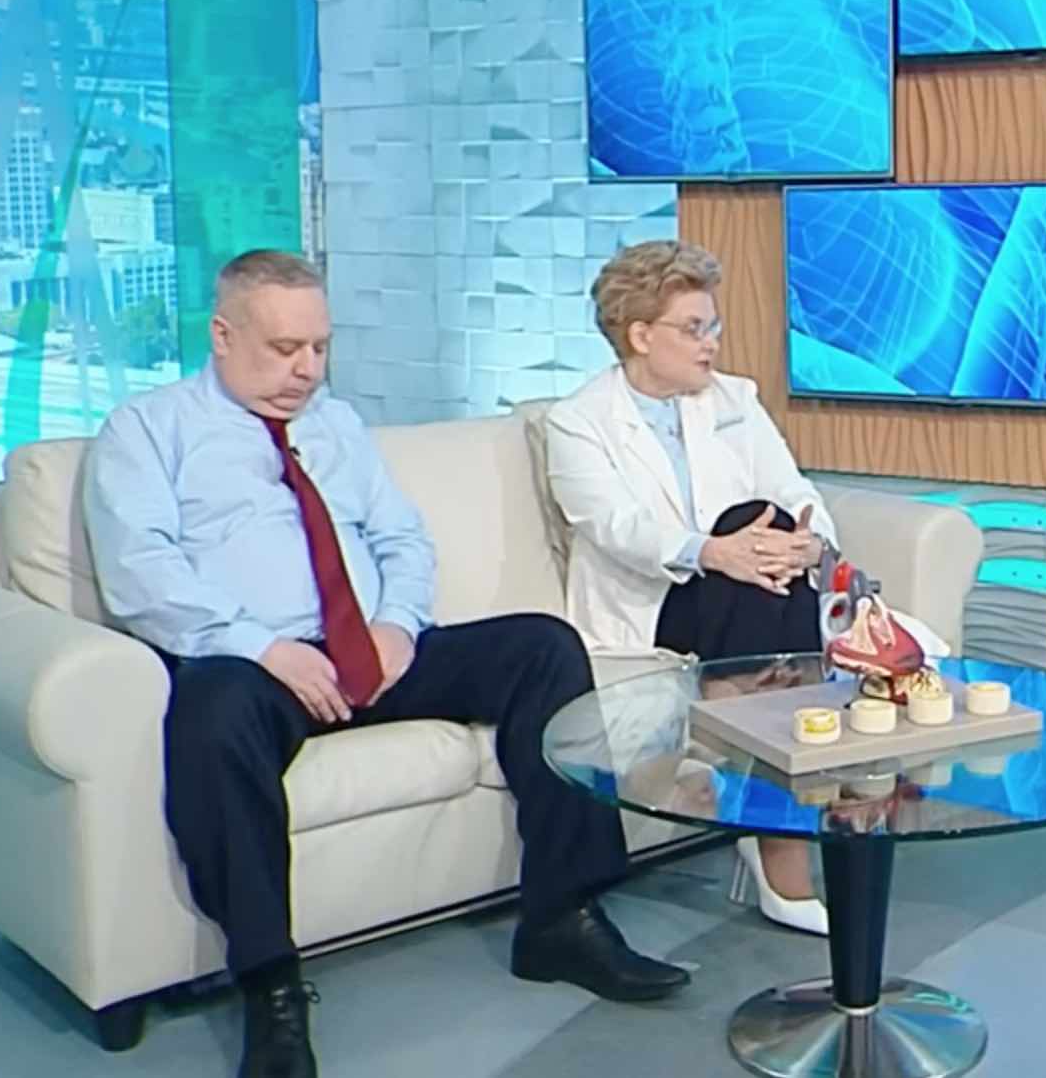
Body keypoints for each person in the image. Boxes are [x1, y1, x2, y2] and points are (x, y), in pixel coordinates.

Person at [83, 251, 688, 1078]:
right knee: (210, 710)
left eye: (319, 347)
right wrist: (264, 648)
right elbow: (141, 575)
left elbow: (402, 537)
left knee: (543, 646)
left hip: (375, 650)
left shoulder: (335, 424)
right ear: (222, 335)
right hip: (258, 663)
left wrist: (397, 625)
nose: (306, 369)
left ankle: (562, 918)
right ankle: (271, 989)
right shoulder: (147, 431)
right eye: (284, 348)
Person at [545, 239, 838, 936]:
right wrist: (716, 552)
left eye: (713, 326)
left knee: (761, 536)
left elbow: (794, 490)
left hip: (748, 595)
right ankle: (782, 835)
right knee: (743, 541)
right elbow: (614, 526)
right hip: (655, 601)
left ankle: (763, 813)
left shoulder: (735, 399)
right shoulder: (578, 420)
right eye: (694, 328)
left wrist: (808, 542)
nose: (712, 343)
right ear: (641, 335)